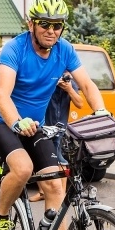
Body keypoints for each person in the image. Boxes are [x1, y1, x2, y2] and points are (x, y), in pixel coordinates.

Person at [0, 0, 109, 230]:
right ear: (32, 24)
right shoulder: (14, 49)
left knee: (55, 184)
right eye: (45, 24)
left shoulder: (65, 50)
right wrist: (17, 122)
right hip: (1, 120)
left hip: (35, 125)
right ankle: (0, 217)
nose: (51, 30)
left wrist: (101, 113)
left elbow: (87, 85)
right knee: (23, 168)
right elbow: (2, 95)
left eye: (58, 25)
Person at [28, 70, 83, 202]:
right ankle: (43, 193)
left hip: (58, 127)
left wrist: (69, 89)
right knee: (38, 158)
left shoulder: (69, 82)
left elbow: (79, 103)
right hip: (42, 125)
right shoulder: (45, 78)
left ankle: (60, 194)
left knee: (59, 159)